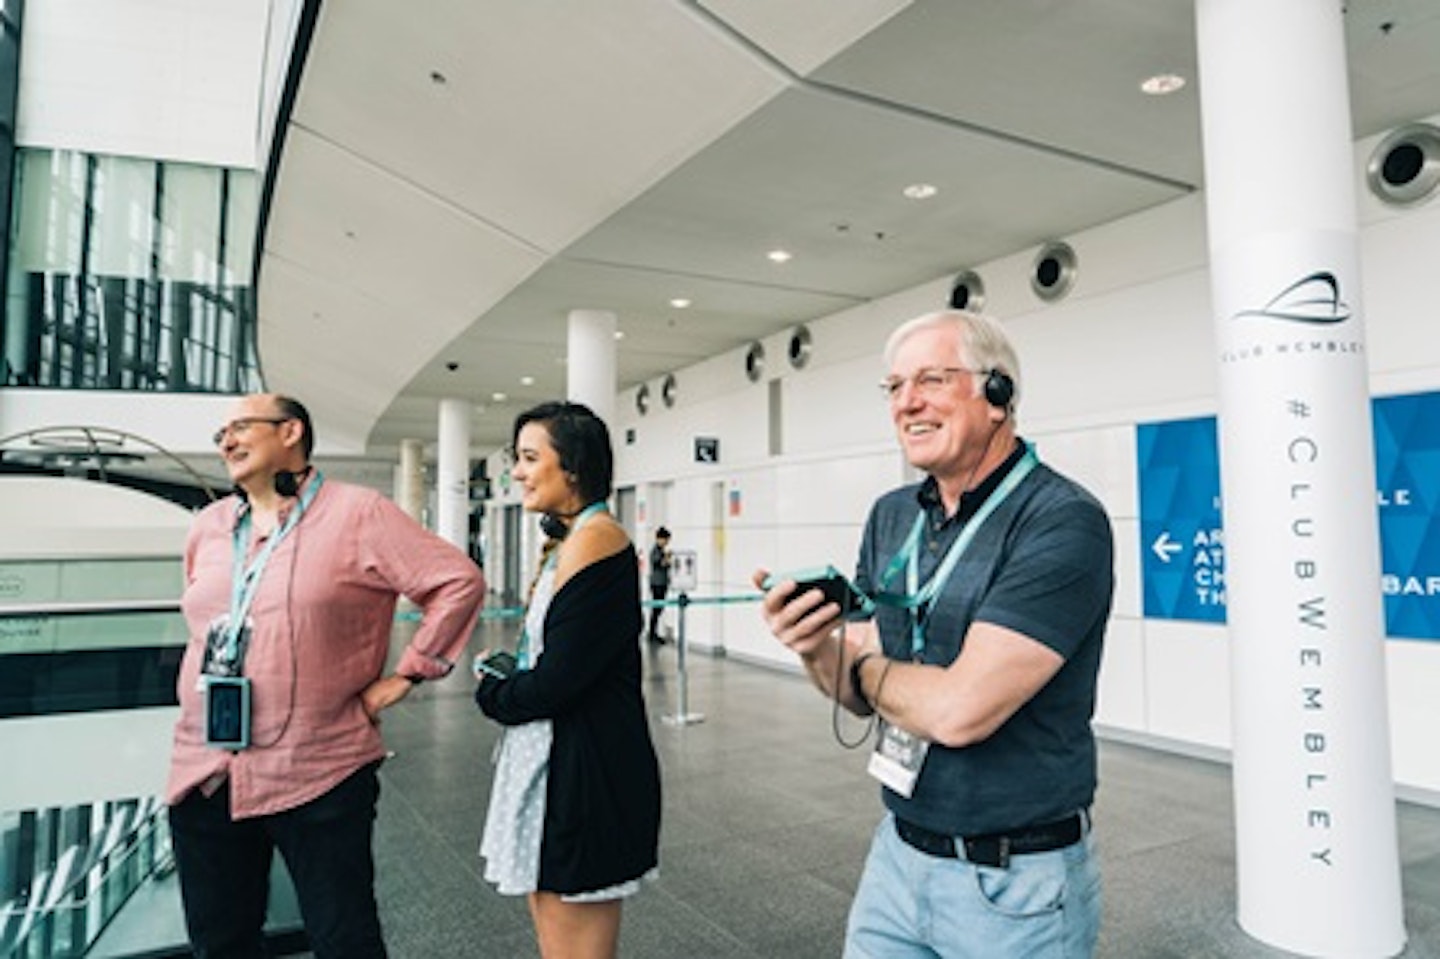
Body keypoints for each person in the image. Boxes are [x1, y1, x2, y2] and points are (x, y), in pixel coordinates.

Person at [755, 309, 1114, 958]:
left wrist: (863, 665)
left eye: (931, 379)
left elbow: (958, 711)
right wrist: (814, 646)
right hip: (896, 855)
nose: (906, 402)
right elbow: (852, 689)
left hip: (1015, 884)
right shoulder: (893, 515)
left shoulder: (1061, 520)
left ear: (997, 393)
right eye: (894, 386)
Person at [166, 393, 485, 958]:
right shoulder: (210, 526)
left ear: (290, 431)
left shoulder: (358, 513)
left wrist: (408, 674)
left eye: (240, 428)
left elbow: (457, 582)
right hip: (206, 768)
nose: (227, 442)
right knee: (218, 942)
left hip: (319, 768)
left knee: (344, 940)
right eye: (221, 436)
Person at [474, 401, 662, 959]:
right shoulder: (575, 538)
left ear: (574, 466)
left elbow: (560, 679)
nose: (517, 472)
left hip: (585, 779)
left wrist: (494, 692)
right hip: (558, 767)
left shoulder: (596, 539)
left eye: (530, 458)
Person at [646, 526, 673, 643]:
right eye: (666, 540)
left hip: (662, 582)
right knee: (657, 608)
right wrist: (667, 558)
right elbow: (659, 564)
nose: (667, 542)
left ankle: (653, 632)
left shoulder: (661, 551)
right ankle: (652, 633)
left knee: (659, 608)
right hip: (657, 583)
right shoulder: (655, 551)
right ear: (660, 539)